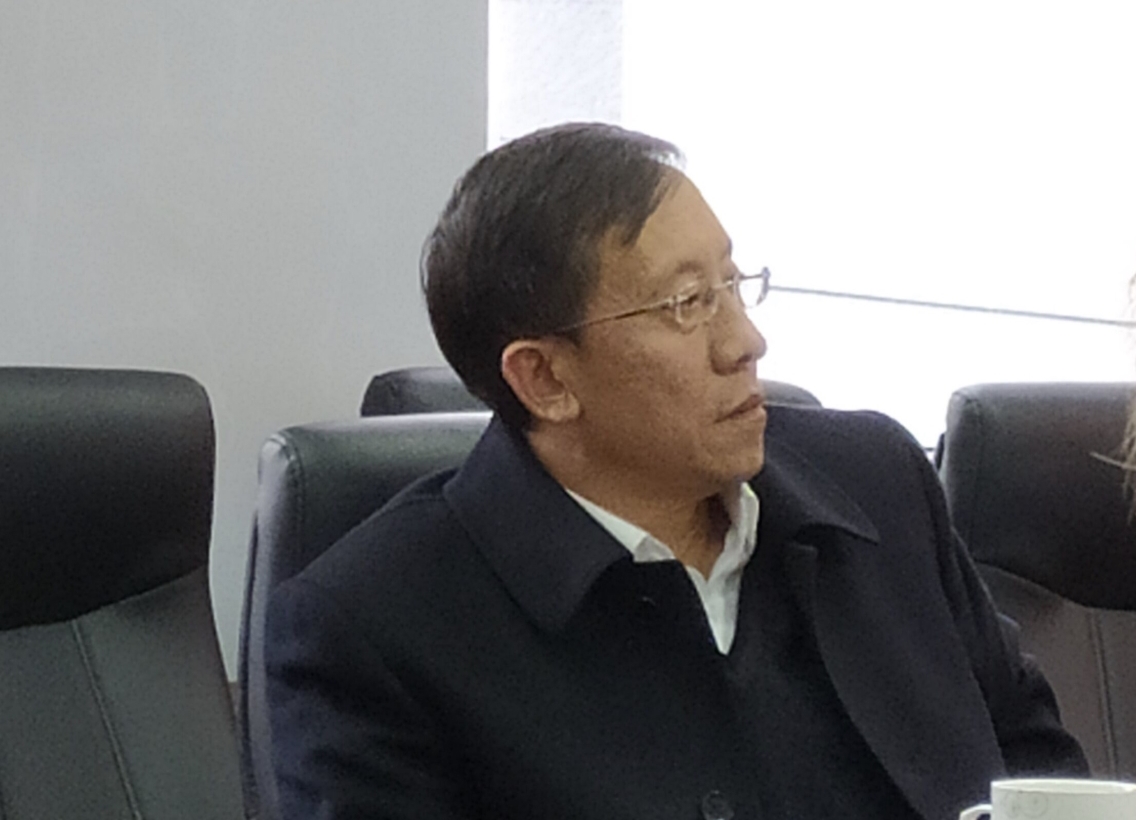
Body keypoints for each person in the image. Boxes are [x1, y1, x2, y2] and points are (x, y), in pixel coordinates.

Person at [265, 123, 1087, 820]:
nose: (745, 343)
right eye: (687, 304)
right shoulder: (377, 628)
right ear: (544, 379)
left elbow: (1042, 780)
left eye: (733, 284)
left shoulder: (876, 486)